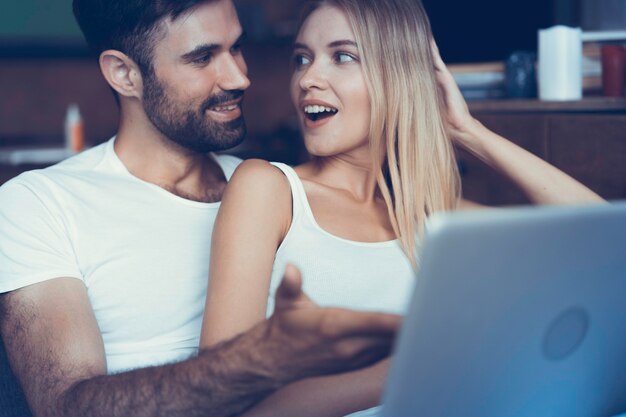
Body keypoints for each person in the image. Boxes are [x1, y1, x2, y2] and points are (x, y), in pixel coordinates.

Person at [200, 0, 604, 416]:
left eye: (342, 56)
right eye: (302, 58)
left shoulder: (429, 216)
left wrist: (470, 131)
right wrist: (416, 365)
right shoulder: (268, 189)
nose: (308, 78)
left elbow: (601, 236)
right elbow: (219, 396)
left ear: (397, 77)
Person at [0, 1, 403, 417]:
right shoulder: (40, 204)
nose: (240, 77)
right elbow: (64, 407)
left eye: (237, 48)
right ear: (124, 74)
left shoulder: (274, 187)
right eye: (204, 57)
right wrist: (257, 359)